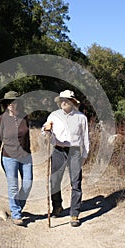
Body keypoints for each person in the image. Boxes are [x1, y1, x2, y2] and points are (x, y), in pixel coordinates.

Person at [43, 90, 89, 227]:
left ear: (73, 102)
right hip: (58, 150)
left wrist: (84, 156)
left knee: (76, 183)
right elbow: (44, 130)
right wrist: (46, 129)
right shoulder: (54, 115)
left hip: (74, 151)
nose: (63, 102)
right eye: (62, 99)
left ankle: (74, 214)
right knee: (55, 181)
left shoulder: (81, 118)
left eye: (67, 100)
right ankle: (57, 206)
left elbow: (86, 139)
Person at [0, 91, 33, 226]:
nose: (11, 104)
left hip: (26, 156)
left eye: (14, 101)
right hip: (9, 157)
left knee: (27, 184)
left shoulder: (25, 117)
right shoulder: (1, 119)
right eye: (8, 102)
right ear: (5, 104)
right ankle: (16, 214)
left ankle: (17, 206)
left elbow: (27, 138)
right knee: (13, 186)